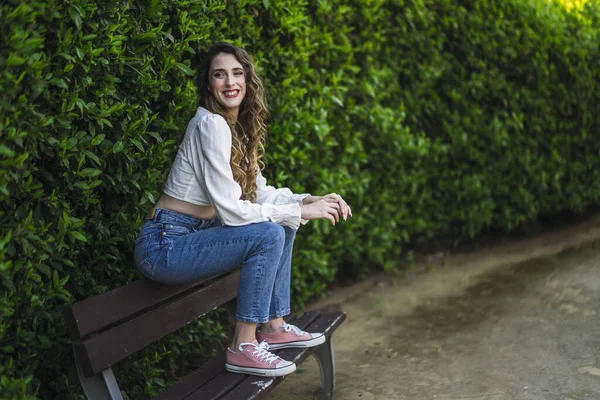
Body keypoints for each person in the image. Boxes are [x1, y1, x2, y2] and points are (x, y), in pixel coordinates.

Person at [134, 42, 352, 377]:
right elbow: (233, 212)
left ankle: (274, 326)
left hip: (193, 236)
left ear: (248, 80)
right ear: (209, 84)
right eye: (219, 75)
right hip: (166, 243)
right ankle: (243, 345)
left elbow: (259, 193)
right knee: (269, 230)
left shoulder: (234, 128)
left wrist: (304, 201)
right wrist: (298, 211)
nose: (230, 82)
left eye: (237, 73)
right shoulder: (209, 124)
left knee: (282, 224)